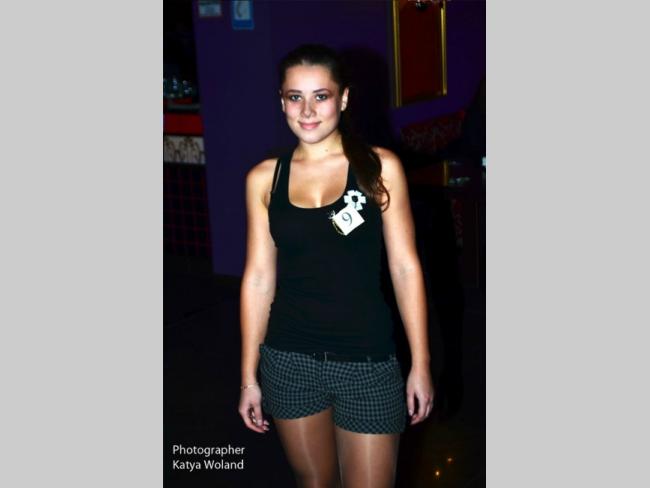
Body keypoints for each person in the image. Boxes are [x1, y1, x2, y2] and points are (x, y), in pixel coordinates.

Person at [238, 44, 433, 488]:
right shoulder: (264, 178)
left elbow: (405, 268)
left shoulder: (378, 168)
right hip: (289, 361)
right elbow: (258, 279)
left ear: (343, 98)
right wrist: (248, 376)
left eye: (321, 96)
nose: (307, 111)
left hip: (367, 359)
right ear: (281, 100)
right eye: (294, 97)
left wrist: (420, 363)